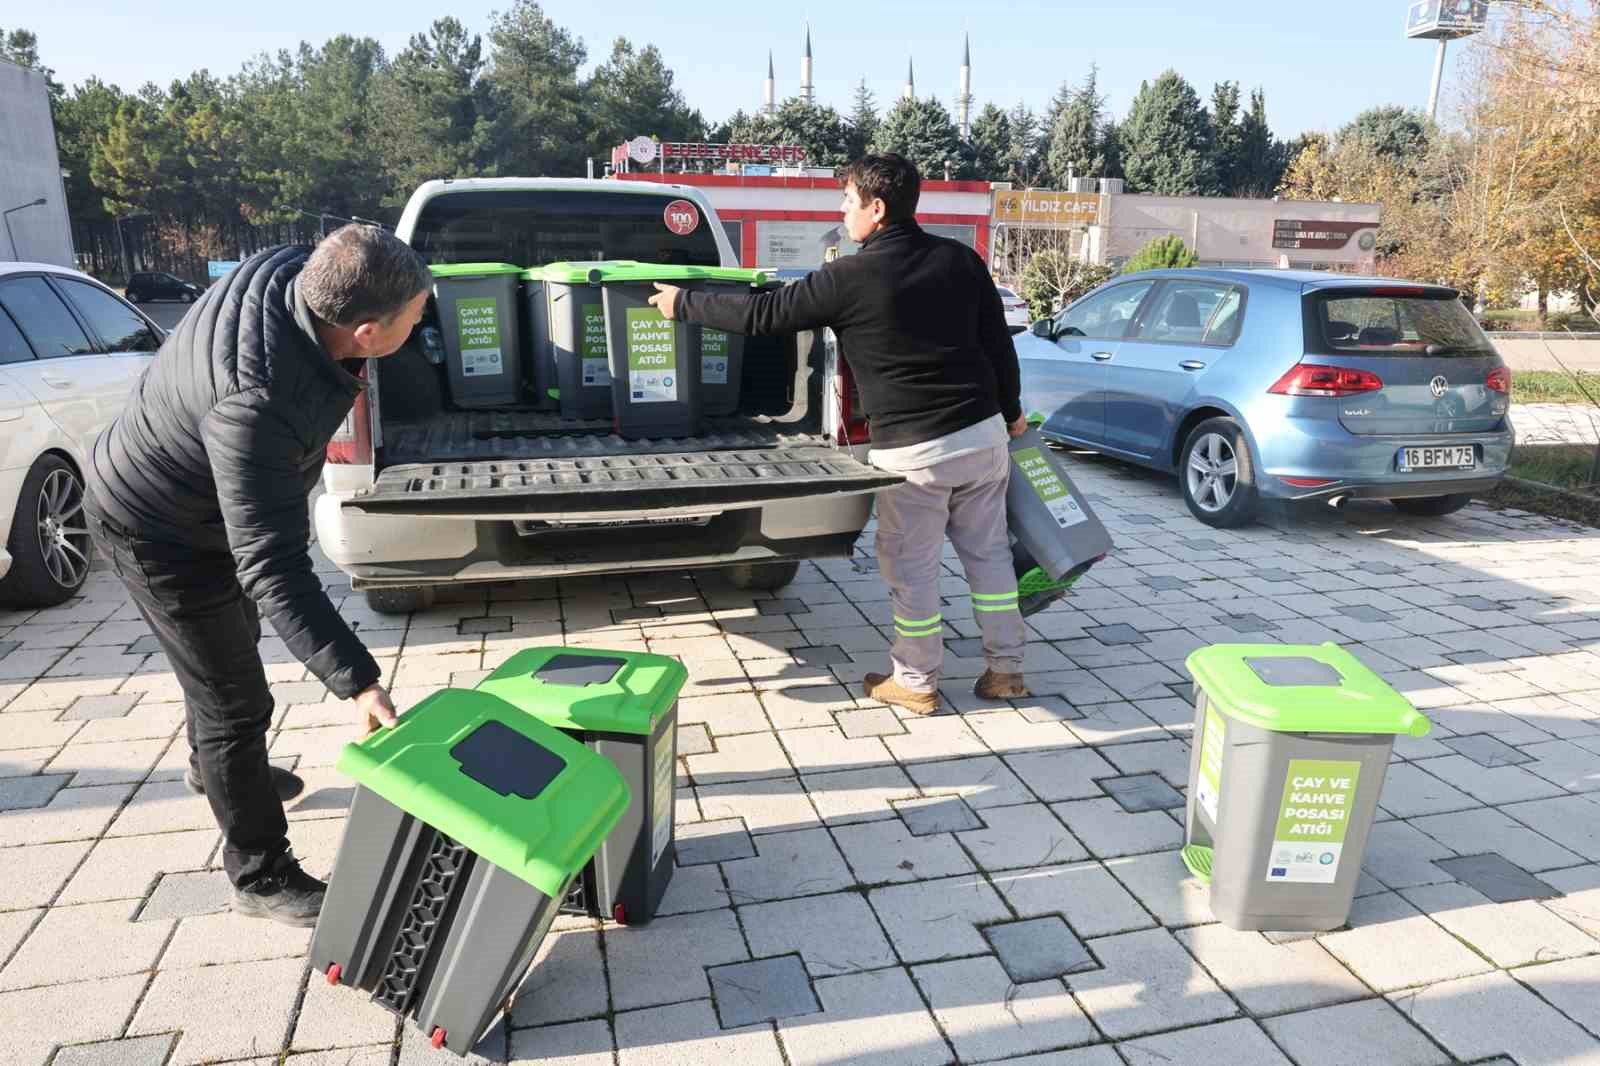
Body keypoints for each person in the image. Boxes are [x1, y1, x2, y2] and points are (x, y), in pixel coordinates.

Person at [86, 225, 430, 926]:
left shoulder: (293, 271)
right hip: (158, 529)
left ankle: (214, 770)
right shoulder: (258, 403)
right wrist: (358, 682)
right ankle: (259, 873)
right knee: (233, 700)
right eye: (416, 317)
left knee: (228, 654)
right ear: (364, 331)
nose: (425, 321)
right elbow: (273, 565)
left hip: (210, 503)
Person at [649, 154, 1029, 715]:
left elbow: (765, 315)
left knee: (913, 568)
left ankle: (917, 682)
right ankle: (1007, 672)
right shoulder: (960, 261)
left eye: (847, 201)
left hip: (915, 454)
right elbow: (999, 345)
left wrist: (684, 303)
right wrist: (1013, 412)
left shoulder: (848, 278)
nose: (841, 210)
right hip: (982, 437)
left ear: (877, 209)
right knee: (991, 558)